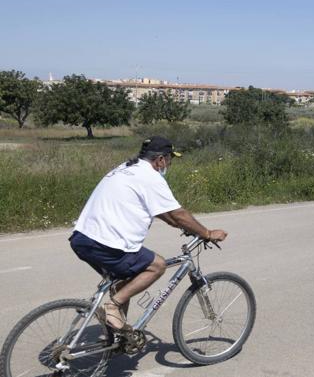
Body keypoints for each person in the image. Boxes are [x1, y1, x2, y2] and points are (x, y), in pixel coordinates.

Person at [69, 136, 227, 332]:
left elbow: (165, 213)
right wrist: (207, 232)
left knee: (123, 282)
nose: (169, 164)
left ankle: (116, 337)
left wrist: (183, 227)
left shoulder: (125, 168)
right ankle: (112, 306)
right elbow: (179, 214)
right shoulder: (150, 177)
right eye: (170, 159)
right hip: (107, 243)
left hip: (82, 239)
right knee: (157, 265)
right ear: (160, 159)